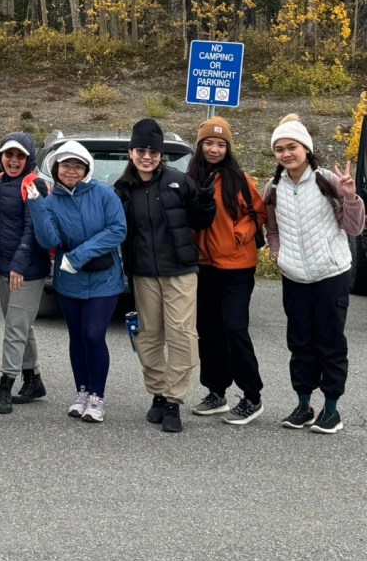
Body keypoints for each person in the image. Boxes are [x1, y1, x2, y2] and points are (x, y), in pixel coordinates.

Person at [263, 114, 365, 434]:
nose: (285, 153)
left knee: (330, 343)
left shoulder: (328, 181)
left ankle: (331, 410)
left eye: (291, 146)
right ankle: (304, 406)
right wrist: (277, 250)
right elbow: (272, 227)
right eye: (279, 149)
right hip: (294, 278)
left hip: (331, 274)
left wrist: (350, 196)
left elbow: (354, 227)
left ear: (306, 148)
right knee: (300, 343)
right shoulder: (274, 187)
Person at [114, 118, 216, 433]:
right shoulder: (122, 189)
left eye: (154, 151)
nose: (147, 156)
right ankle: (157, 394)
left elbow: (201, 221)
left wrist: (205, 200)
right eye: (141, 150)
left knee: (182, 334)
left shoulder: (178, 181)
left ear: (161, 155)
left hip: (180, 271)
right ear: (131, 152)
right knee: (149, 336)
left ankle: (174, 399)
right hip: (143, 273)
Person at [31, 141, 127, 423]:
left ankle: (97, 396)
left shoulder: (104, 194)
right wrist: (36, 206)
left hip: (104, 279)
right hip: (69, 281)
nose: (71, 170)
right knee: (77, 337)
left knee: (93, 335)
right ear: (56, 168)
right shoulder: (49, 201)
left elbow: (118, 229)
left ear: (86, 168)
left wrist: (80, 254)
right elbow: (50, 240)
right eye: (65, 165)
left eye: (77, 165)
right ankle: (82, 392)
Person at [187, 116, 267, 425]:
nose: (215, 149)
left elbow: (259, 213)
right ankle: (216, 392)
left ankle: (252, 396)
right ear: (200, 146)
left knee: (235, 328)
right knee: (208, 331)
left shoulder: (239, 179)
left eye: (221, 144)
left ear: (228, 148)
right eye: (209, 143)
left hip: (237, 267)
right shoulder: (191, 178)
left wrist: (239, 235)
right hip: (204, 267)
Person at [0, 132, 50, 414]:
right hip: (1, 267)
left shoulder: (34, 184)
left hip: (27, 270)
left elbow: (32, 227)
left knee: (14, 328)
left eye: (20, 156)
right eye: (9, 154)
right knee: (20, 325)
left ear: (29, 158)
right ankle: (33, 379)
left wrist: (19, 264)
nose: (13, 160)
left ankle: (6, 385)